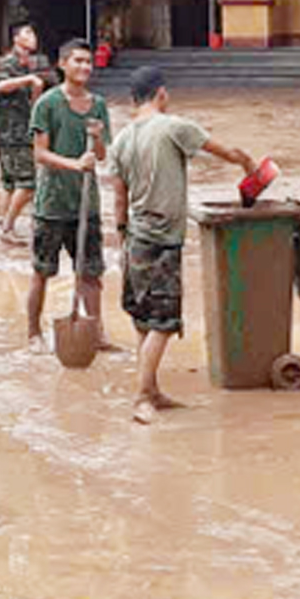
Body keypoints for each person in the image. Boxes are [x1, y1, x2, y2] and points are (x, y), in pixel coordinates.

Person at [106, 65, 260, 423]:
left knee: (143, 317)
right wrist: (249, 164)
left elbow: (118, 196)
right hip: (162, 240)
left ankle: (154, 390)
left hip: (135, 239)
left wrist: (121, 236)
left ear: (133, 99)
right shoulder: (174, 127)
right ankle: (142, 396)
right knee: (163, 321)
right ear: (161, 94)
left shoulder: (122, 139)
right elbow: (224, 151)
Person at [25, 38, 113, 345]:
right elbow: (40, 154)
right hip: (52, 204)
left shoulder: (98, 105)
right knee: (42, 271)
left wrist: (97, 137)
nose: (84, 67)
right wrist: (75, 165)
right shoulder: (47, 104)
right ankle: (34, 332)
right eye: (77, 61)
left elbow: (101, 155)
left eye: (88, 62)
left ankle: (96, 333)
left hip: (86, 204)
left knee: (90, 274)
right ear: (62, 64)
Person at [0, 24, 51, 243]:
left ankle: (6, 222)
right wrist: (29, 80)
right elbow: (1, 85)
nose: (33, 37)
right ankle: (7, 229)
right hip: (11, 133)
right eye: (28, 33)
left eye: (34, 33)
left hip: (17, 132)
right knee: (28, 183)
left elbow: (30, 102)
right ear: (16, 39)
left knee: (12, 183)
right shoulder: (10, 62)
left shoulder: (27, 65)